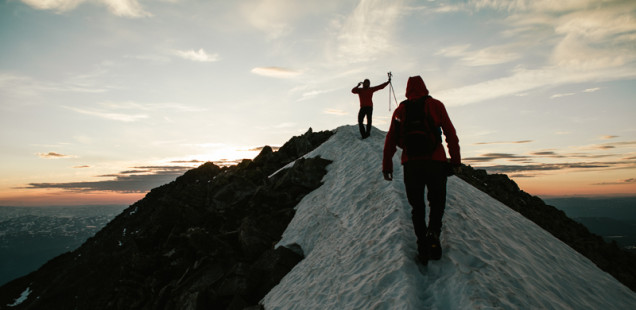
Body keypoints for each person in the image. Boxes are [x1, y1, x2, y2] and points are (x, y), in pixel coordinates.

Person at [382, 75, 461, 264]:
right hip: (436, 162)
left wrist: (387, 166)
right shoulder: (436, 105)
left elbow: (391, 139)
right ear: (425, 87)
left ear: (408, 90)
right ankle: (433, 233)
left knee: (417, 207)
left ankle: (422, 245)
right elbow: (451, 134)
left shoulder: (401, 110)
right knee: (437, 201)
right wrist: (456, 161)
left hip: (411, 164)